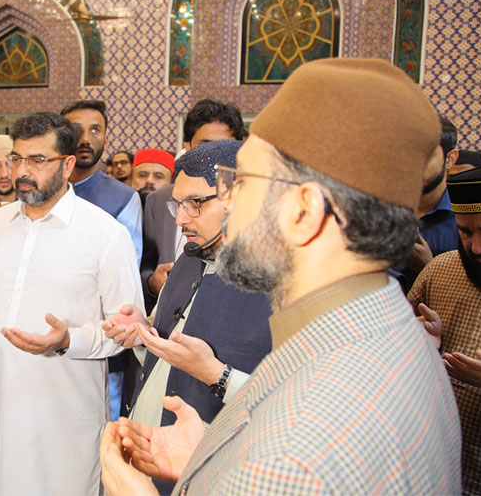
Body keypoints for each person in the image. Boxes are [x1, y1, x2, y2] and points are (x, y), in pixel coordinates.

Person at [100, 58, 461, 495]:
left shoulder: (290, 457)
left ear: (304, 212)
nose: (231, 205)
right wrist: (210, 463)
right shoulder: (389, 332)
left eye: (244, 183)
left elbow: (292, 455)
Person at [0, 111, 143, 496]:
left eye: (37, 160)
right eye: (17, 158)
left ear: (67, 164)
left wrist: (67, 341)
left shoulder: (105, 235)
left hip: (63, 418)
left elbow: (128, 331)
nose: (22, 171)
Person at [103, 140, 271, 494]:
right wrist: (143, 334)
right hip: (146, 457)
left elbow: (298, 408)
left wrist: (216, 374)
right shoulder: (188, 260)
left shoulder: (283, 285)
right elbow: (167, 355)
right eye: (177, 204)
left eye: (195, 203)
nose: (180, 218)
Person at [409, 162, 481, 494]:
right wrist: (418, 340)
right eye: (466, 232)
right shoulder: (441, 270)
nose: (476, 247)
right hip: (428, 471)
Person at [61, 99, 143, 419]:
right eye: (75, 130)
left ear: (106, 138)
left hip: (103, 348)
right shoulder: (40, 193)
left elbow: (125, 277)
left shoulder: (123, 199)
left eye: (95, 130)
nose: (85, 138)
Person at [141, 99, 245, 313]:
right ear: (187, 146)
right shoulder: (157, 200)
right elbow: (145, 262)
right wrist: (152, 282)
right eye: (205, 145)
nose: (181, 219)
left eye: (197, 203)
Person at [395, 114, 460, 291]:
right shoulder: (380, 207)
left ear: (450, 159)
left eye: (425, 156)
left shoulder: (465, 220)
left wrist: (429, 266)